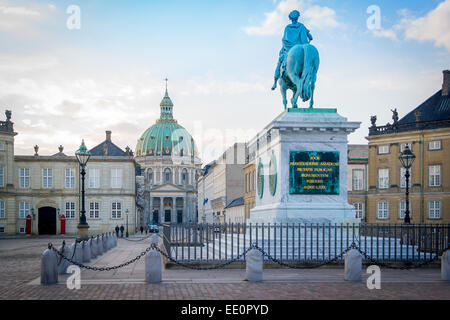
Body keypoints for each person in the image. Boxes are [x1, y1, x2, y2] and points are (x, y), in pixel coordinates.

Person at [272, 10, 313, 90]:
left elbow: (284, 40)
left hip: (289, 48)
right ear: (297, 18)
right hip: (302, 45)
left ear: (291, 19)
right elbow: (310, 36)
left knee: (280, 62)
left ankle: (274, 83)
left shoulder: (287, 28)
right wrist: (309, 36)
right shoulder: (301, 26)